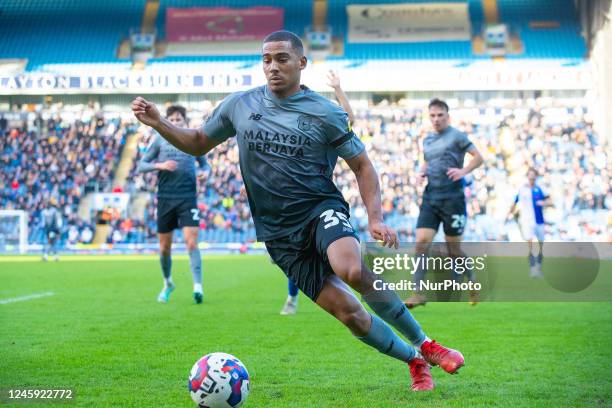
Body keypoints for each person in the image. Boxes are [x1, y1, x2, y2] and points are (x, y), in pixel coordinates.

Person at [132, 30, 464, 391]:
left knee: (351, 268)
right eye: (266, 59)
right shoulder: (239, 105)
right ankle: (414, 361)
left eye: (282, 59)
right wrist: (160, 122)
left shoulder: (326, 112)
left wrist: (375, 217)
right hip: (277, 233)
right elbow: (198, 143)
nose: (273, 66)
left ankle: (427, 344)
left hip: (320, 209)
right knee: (349, 314)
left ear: (301, 63)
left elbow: (363, 166)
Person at [279, 70, 355, 316]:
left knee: (337, 259)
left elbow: (349, 119)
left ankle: (353, 299)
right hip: (290, 206)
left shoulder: (323, 123)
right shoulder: (284, 130)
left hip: (321, 201)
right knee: (300, 259)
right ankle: (292, 298)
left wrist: (338, 90)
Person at [404, 98, 484, 308]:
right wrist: (423, 170)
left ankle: (472, 281)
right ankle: (417, 293)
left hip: (453, 198)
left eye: (440, 115)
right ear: (428, 117)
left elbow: (478, 157)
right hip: (431, 196)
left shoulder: (457, 136)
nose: (436, 119)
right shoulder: (427, 140)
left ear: (447, 116)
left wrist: (463, 171)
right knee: (421, 243)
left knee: (453, 250)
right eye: (432, 115)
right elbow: (429, 160)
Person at [136, 105, 208, 304]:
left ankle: (197, 287)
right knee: (164, 247)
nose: (176, 123)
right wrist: (160, 165)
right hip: (166, 198)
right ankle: (168, 282)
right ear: (167, 121)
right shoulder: (159, 140)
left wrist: (205, 173)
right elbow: (141, 166)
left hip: (188, 197)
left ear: (185, 122)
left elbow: (205, 165)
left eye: (179, 120)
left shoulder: (193, 139)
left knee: (191, 242)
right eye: (172, 120)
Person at [507, 167, 552, 277]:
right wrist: (509, 214)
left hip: (539, 221)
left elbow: (549, 201)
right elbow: (515, 202)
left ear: (536, 176)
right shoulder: (522, 189)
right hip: (527, 221)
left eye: (533, 175)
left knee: (541, 245)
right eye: (530, 175)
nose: (531, 177)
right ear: (527, 177)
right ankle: (532, 268)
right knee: (530, 245)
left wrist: (544, 203)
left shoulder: (540, 188)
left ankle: (539, 267)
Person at [41, 197, 63, 261]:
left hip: (52, 229)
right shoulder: (48, 211)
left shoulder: (51, 211)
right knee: (51, 242)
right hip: (50, 229)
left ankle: (49, 255)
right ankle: (52, 256)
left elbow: (56, 219)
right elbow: (45, 222)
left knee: (51, 242)